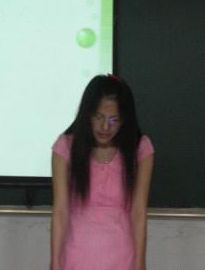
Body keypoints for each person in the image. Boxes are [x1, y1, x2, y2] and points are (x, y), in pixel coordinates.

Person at [50, 74, 154, 270]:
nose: (105, 127)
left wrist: (140, 264)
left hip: (123, 259)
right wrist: (55, 264)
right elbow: (60, 211)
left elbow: (139, 212)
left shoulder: (140, 149)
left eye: (114, 120)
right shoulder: (65, 147)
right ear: (87, 114)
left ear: (124, 120)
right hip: (76, 258)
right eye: (99, 117)